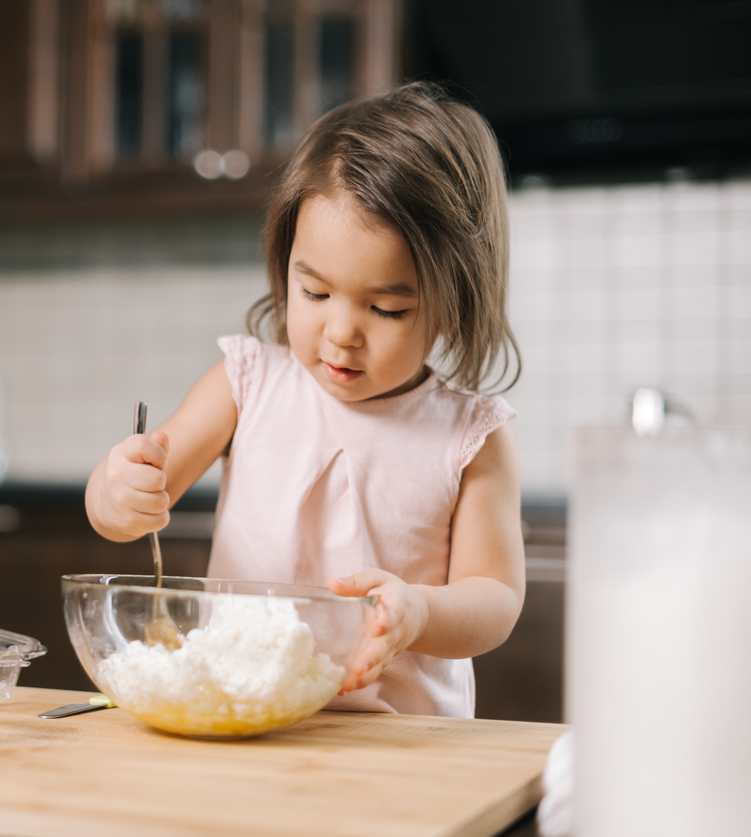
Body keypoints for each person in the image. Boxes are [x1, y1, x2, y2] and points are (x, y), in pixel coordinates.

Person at [84, 82, 526, 718]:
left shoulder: (471, 437)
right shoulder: (245, 385)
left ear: (455, 301)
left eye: (386, 308)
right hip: (245, 724)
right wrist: (119, 490)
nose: (341, 332)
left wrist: (420, 611)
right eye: (315, 293)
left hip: (404, 748)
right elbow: (119, 503)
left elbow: (496, 601)